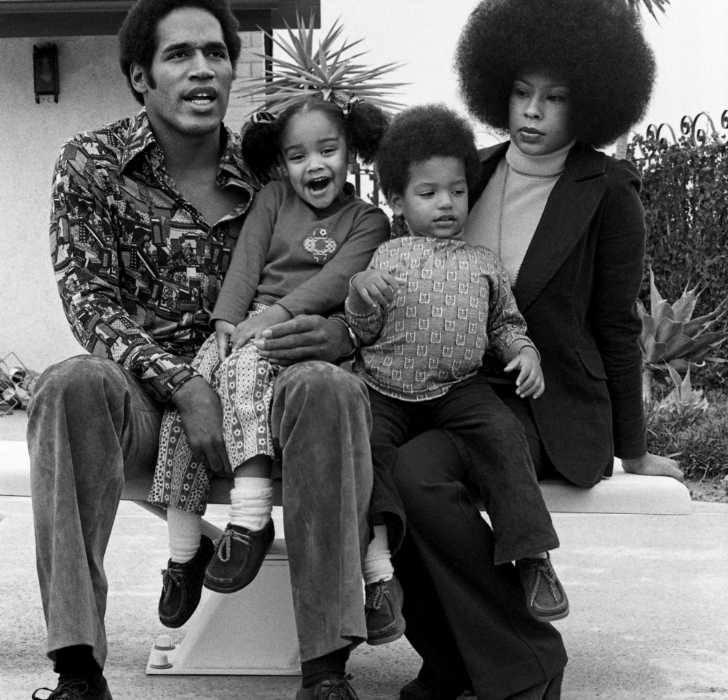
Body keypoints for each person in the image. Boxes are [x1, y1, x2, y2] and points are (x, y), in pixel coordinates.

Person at [27, 1, 378, 698]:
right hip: (146, 403)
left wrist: (343, 333)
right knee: (68, 385)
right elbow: (89, 305)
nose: (202, 70)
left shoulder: (273, 169)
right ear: (139, 76)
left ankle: (327, 671)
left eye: (216, 53)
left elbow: (352, 266)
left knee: (331, 389)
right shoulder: (93, 165)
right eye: (179, 54)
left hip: (267, 391)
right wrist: (187, 388)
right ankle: (76, 671)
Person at [148, 96, 390, 626]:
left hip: (305, 335)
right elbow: (246, 262)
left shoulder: (368, 220)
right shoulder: (274, 199)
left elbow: (338, 280)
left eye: (328, 150)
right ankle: (184, 556)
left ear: (351, 153)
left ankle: (251, 517)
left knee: (245, 369)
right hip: (244, 323)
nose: (315, 166)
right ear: (282, 163)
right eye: (298, 156)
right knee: (184, 408)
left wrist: (272, 317)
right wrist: (226, 323)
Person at [345, 104, 569, 635]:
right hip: (384, 389)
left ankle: (532, 556)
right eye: (428, 193)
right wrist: (358, 295)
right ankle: (378, 576)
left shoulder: (484, 263)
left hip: (458, 389)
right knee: (363, 450)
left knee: (502, 431)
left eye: (457, 190)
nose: (446, 203)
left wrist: (526, 352)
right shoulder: (386, 256)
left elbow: (505, 325)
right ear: (398, 200)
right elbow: (362, 330)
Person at [456, 0, 684, 487]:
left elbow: (616, 327)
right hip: (456, 395)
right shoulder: (466, 175)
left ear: (587, 102)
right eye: (521, 92)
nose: (532, 110)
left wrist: (634, 451)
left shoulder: (608, 191)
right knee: (411, 468)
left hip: (548, 412)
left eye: (554, 98)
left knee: (444, 465)